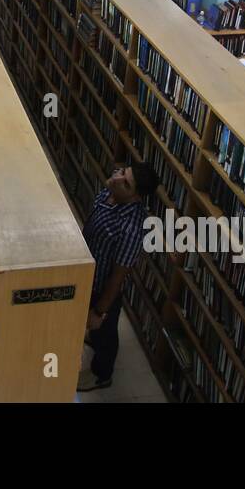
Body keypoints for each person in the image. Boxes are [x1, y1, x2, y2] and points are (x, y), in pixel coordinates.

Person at [77, 162, 160, 392]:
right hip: (88, 275)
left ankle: (102, 375)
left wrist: (100, 310)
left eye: (125, 182)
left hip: (102, 288)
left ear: (135, 197)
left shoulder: (131, 227)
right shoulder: (109, 193)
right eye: (123, 172)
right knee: (97, 330)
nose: (117, 177)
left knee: (105, 332)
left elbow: (118, 276)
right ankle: (94, 337)